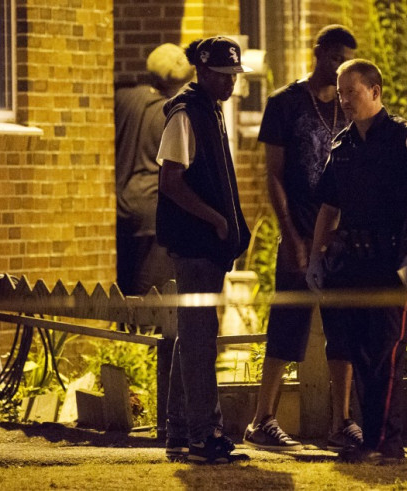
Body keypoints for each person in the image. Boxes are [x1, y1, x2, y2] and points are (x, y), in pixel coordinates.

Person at [306, 59, 407, 463]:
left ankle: (385, 442)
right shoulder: (343, 146)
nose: (344, 100)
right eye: (341, 92)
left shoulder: (404, 139)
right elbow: (329, 208)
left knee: (386, 352)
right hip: (353, 263)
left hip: (391, 261)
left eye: (352, 92)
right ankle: (376, 439)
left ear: (375, 92)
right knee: (361, 353)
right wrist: (316, 256)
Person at [243, 25, 359, 453]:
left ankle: (341, 422)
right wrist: (291, 233)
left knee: (342, 327)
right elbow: (273, 175)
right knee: (287, 323)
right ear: (318, 53)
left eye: (345, 63)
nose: (338, 68)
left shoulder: (352, 108)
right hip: (301, 230)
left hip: (342, 239)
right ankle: (261, 420)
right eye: (333, 58)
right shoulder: (285, 103)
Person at [156, 36, 252, 464]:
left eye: (235, 76)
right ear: (204, 72)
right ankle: (204, 435)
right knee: (200, 339)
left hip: (207, 246)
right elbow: (171, 181)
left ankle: (179, 429)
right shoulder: (187, 112)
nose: (232, 84)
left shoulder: (211, 110)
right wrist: (215, 220)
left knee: (191, 336)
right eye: (224, 76)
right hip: (195, 244)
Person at [115, 43, 194, 296]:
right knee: (150, 291)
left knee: (124, 285)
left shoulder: (122, 99)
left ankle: (123, 335)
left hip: (122, 205)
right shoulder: (169, 112)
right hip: (153, 210)